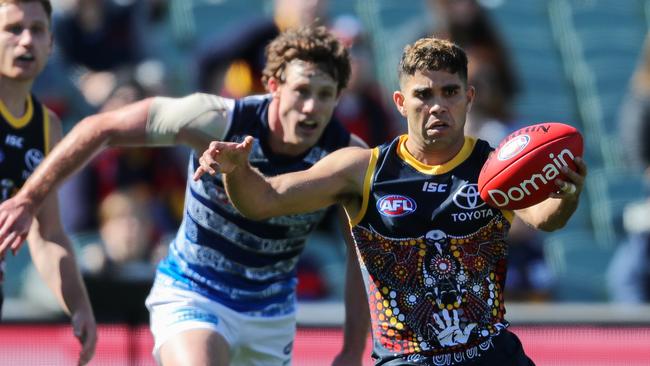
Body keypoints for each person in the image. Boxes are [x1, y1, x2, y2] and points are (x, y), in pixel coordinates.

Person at [193, 37, 588, 365]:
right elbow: (263, 200)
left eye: (450, 92)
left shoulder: (494, 167)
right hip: (405, 361)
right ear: (400, 103)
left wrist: (566, 195)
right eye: (423, 94)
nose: (437, 105)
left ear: (468, 98)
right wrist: (237, 170)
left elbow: (544, 219)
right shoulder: (362, 170)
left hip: (491, 355)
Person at [0, 25, 369, 366]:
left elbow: (361, 259)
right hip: (195, 291)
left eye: (324, 95)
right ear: (273, 85)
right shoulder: (215, 119)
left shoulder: (345, 158)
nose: (310, 107)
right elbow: (101, 127)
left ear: (339, 98)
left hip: (270, 315)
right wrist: (29, 198)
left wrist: (353, 349)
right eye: (301, 90)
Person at [0, 0, 96, 364]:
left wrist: (78, 305)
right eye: (13, 29)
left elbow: (49, 233)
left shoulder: (46, 128)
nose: (26, 41)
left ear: (52, 43)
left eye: (37, 30)